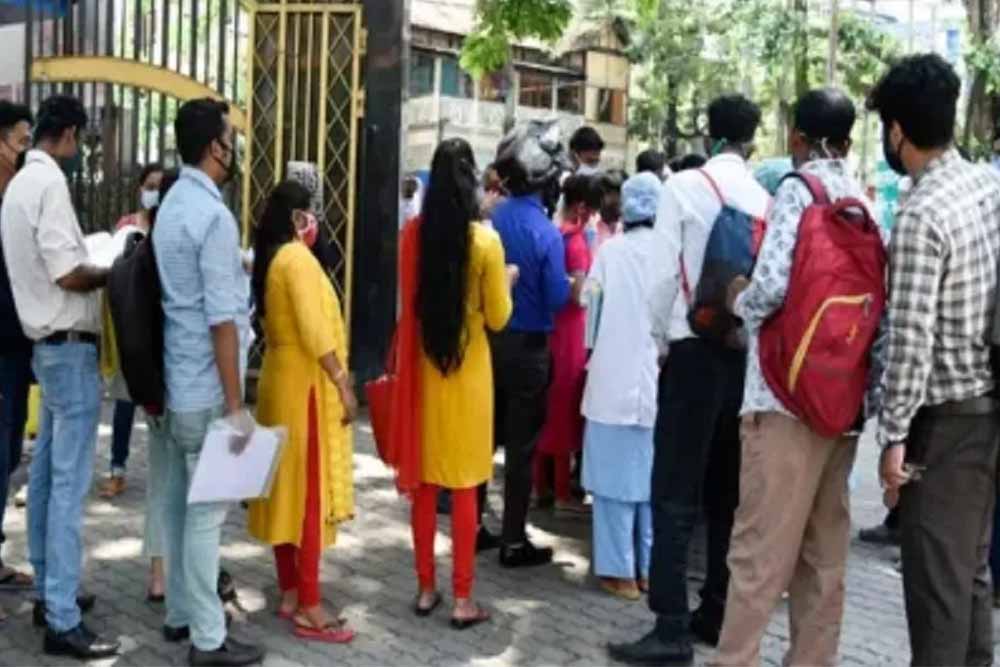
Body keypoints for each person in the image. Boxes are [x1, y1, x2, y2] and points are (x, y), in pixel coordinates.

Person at [711, 88, 880, 666]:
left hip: (781, 399)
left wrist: (736, 298)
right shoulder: (863, 201)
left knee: (758, 556)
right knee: (823, 561)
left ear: (797, 137)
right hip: (840, 403)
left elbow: (771, 289)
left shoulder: (797, 190)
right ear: (849, 141)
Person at [609, 94, 770, 667]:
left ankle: (670, 626)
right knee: (727, 493)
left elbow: (662, 278)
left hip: (691, 350)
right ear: (752, 137)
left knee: (675, 492)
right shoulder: (764, 197)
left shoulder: (683, 186)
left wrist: (660, 340)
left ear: (709, 131)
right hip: (740, 357)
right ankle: (716, 611)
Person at [871, 54, 1000, 667]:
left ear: (897, 131)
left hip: (945, 425)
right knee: (969, 574)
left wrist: (893, 437)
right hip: (989, 408)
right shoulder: (987, 186)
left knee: (937, 593)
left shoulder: (922, 214)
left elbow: (910, 338)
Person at [0, 94, 119, 659]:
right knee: (67, 487)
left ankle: (52, 593)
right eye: (81, 140)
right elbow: (67, 273)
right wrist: (112, 269)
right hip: (67, 348)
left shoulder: (20, 184)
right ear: (68, 134)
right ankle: (62, 618)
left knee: (48, 477)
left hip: (47, 348)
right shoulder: (47, 183)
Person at [153, 97, 262, 667]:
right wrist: (237, 406)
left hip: (177, 383)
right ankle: (208, 639)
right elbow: (224, 321)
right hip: (206, 388)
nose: (233, 147)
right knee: (206, 516)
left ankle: (180, 614)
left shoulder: (172, 203)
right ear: (214, 147)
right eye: (228, 137)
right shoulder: (214, 218)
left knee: (178, 506)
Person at [398, 137, 513, 628]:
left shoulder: (412, 237)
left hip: (424, 374)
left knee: (425, 486)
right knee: (465, 487)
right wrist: (507, 280)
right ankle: (464, 598)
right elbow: (499, 317)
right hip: (469, 377)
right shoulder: (485, 243)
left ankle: (426, 588)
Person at [247, 181, 357, 643]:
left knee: (284, 490)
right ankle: (310, 606)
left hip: (279, 381)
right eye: (310, 212)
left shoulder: (273, 258)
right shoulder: (296, 258)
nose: (316, 222)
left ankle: (291, 591)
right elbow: (314, 330)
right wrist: (342, 383)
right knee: (309, 497)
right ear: (297, 217)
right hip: (303, 388)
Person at [491, 121, 571, 568]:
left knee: (484, 440)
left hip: (490, 344)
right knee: (521, 450)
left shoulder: (493, 217)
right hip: (529, 350)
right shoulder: (545, 232)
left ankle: (475, 526)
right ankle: (513, 539)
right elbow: (557, 297)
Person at [582, 172, 661, 601]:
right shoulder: (670, 252)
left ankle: (618, 572)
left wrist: (592, 348)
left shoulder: (610, 252)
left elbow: (590, 308)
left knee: (613, 485)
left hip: (612, 381)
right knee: (649, 484)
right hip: (655, 384)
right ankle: (648, 570)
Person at [98, 162, 165, 500]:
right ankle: (117, 469)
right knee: (124, 401)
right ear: (140, 188)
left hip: (158, 322)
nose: (153, 192)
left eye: (159, 186)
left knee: (158, 404)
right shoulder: (127, 227)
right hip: (130, 321)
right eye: (149, 185)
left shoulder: (168, 224)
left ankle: (162, 472)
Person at [534, 175, 599, 515]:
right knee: (564, 409)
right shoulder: (576, 243)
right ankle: (561, 493)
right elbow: (578, 293)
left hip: (554, 329)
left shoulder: (555, 235)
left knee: (549, 407)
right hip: (572, 332)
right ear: (583, 207)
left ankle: (541, 486)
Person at [0, 101, 34, 606]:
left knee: (7, 453)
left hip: (15, 344)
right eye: (20, 142)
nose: (24, 152)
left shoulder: (13, 198)